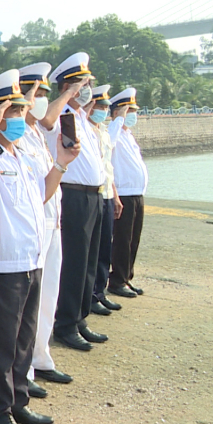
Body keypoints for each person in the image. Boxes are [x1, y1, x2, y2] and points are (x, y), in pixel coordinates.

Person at [0, 70, 79, 424]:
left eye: (19, 110)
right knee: (2, 344)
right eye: (12, 111)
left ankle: (18, 401)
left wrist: (61, 163)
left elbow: (41, 194)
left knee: (24, 338)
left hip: (31, 258)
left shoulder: (23, 153)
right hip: (3, 264)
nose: (20, 116)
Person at [17, 63, 78, 389]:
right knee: (29, 304)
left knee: (48, 296)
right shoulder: (14, 136)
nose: (41, 99)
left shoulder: (36, 134)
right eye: (36, 93)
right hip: (33, 225)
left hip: (52, 222)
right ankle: (23, 370)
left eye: (44, 93)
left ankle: (40, 356)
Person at [47, 53, 110, 352]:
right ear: (68, 87)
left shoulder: (82, 117)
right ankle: (66, 324)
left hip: (94, 195)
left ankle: (80, 317)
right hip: (74, 194)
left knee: (88, 262)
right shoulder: (61, 113)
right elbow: (46, 121)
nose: (88, 90)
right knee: (74, 263)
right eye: (83, 85)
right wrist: (68, 94)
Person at [86, 85, 125, 316]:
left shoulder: (102, 131)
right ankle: (90, 295)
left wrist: (115, 196)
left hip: (107, 193)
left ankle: (99, 292)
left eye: (105, 107)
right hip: (95, 194)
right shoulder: (87, 131)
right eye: (99, 106)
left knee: (104, 248)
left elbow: (107, 168)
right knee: (93, 249)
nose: (102, 111)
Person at [107, 88, 148, 298]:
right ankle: (117, 280)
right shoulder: (112, 132)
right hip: (123, 193)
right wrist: (118, 120)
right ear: (117, 112)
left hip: (137, 193)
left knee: (133, 239)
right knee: (122, 240)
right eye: (128, 110)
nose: (132, 114)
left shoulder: (127, 135)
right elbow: (108, 146)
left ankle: (126, 277)